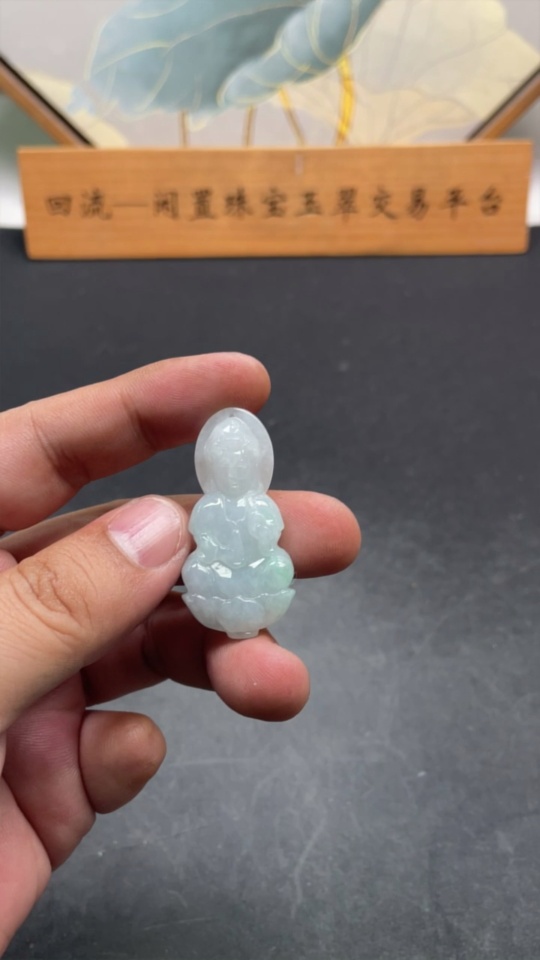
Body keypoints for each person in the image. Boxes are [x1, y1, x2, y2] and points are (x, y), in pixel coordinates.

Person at [0, 353, 361, 951]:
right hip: (218, 581)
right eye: (227, 458)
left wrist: (253, 554)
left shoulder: (261, 506)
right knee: (198, 567)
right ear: (212, 464)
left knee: (272, 565)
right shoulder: (210, 509)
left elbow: (268, 546)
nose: (235, 465)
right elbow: (208, 548)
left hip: (251, 580)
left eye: (243, 458)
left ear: (258, 463)